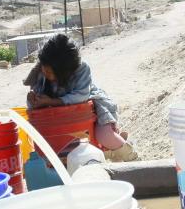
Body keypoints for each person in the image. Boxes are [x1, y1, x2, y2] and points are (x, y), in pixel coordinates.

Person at [25, 33, 138, 161]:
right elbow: (36, 100)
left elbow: (81, 96)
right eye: (44, 70)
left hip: (92, 110)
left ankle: (132, 157)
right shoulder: (41, 73)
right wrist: (33, 101)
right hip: (63, 119)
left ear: (64, 70)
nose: (45, 74)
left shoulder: (81, 69)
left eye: (49, 72)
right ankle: (112, 151)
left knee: (104, 137)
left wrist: (52, 101)